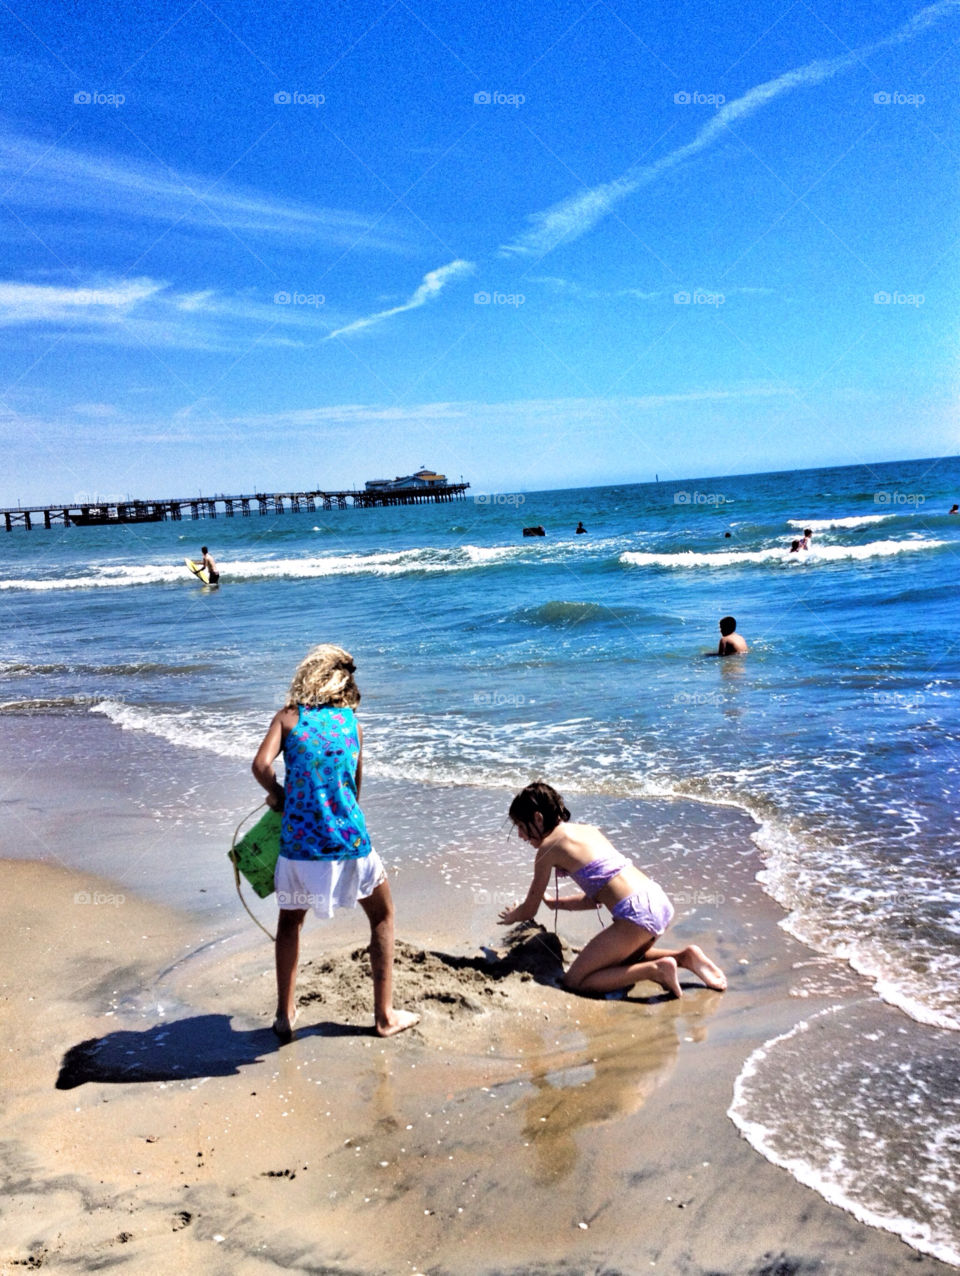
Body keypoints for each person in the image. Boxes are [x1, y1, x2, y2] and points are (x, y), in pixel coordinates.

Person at [252, 644, 419, 1041]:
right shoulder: (352, 725)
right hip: (347, 842)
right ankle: (384, 1016)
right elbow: (354, 792)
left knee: (290, 922)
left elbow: (259, 766)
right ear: (344, 685)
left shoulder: (288, 718)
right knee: (381, 916)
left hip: (297, 847)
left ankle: (284, 1015)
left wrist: (278, 794)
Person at [498, 782, 726, 998]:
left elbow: (529, 911)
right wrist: (555, 904)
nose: (520, 835)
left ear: (538, 818)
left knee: (575, 981)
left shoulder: (549, 847)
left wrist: (513, 916)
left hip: (636, 914)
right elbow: (596, 897)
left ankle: (657, 970)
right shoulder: (588, 831)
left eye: (520, 826)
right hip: (656, 899)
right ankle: (684, 958)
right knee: (620, 960)